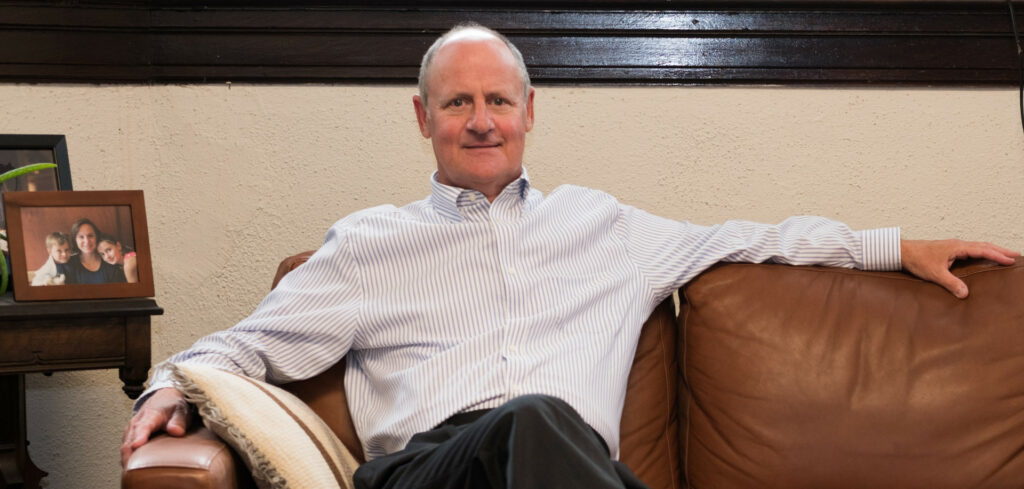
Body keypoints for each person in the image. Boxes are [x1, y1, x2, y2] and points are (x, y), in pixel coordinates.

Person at [121, 23, 1020, 488]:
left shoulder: (609, 229)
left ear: (530, 111)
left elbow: (758, 237)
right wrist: (168, 384)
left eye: (499, 101)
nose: (482, 119)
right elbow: (240, 347)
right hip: (428, 473)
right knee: (536, 416)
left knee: (549, 433)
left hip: (565, 474)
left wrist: (898, 245)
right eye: (459, 102)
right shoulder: (367, 246)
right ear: (423, 117)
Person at [63, 218, 125, 285]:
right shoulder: (69, 264)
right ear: (75, 240)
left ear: (97, 237)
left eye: (90, 236)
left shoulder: (109, 261)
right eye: (81, 237)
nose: (87, 241)